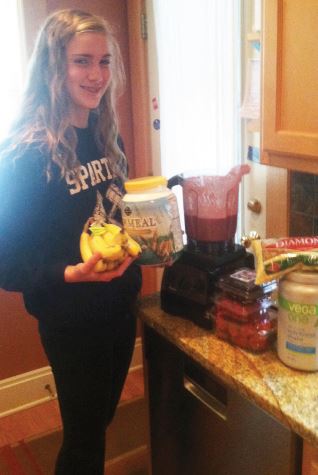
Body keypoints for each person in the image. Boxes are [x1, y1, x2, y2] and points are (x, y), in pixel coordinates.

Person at [0, 8, 142, 474]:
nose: (96, 75)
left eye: (104, 62)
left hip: (119, 308)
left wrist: (184, 185)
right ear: (53, 67)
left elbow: (115, 209)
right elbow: (8, 261)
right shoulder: (25, 151)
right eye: (82, 61)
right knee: (84, 445)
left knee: (96, 425)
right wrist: (70, 273)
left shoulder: (101, 132)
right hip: (73, 320)